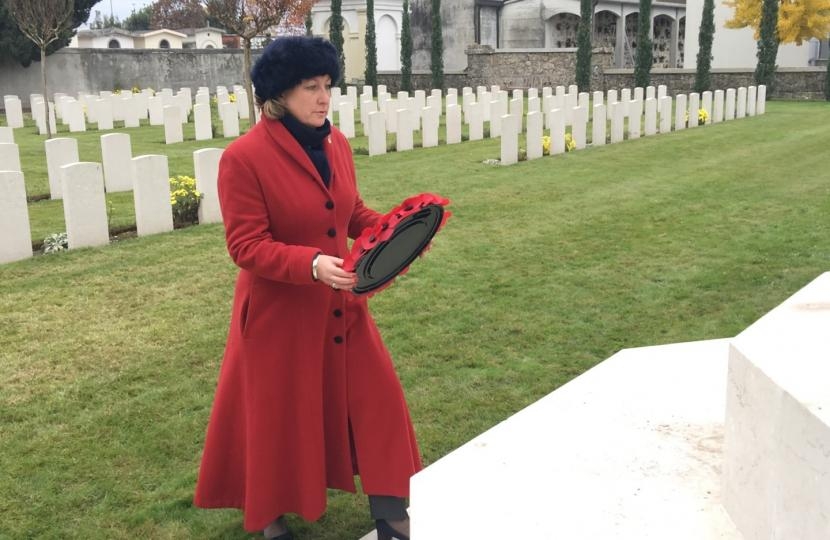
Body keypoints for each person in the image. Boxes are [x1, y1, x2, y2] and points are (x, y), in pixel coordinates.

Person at [193, 36, 421, 540]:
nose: (323, 98)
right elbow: (245, 245)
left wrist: (395, 230)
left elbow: (349, 210)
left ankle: (392, 515)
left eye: (327, 86)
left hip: (341, 303)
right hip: (278, 316)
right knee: (280, 419)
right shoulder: (243, 158)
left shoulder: (335, 142)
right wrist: (312, 263)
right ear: (278, 95)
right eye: (310, 88)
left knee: (376, 399)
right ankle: (272, 515)